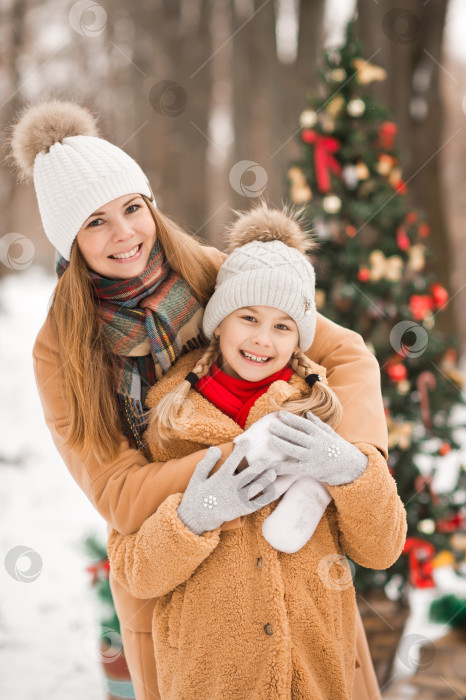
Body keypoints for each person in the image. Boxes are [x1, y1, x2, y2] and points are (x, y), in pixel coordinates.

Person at [7, 98, 390, 700]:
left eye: (133, 208)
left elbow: (346, 354)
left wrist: (341, 458)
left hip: (285, 551)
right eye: (95, 221)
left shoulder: (215, 273)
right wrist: (228, 467)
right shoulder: (60, 350)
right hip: (177, 562)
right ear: (68, 240)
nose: (125, 233)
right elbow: (118, 493)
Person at [107, 203, 407, 699]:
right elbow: (134, 572)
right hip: (209, 680)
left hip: (313, 676)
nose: (262, 340)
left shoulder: (323, 412)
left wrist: (351, 469)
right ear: (220, 323)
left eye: (283, 326)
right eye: (249, 317)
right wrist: (198, 514)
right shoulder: (166, 421)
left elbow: (381, 549)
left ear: (299, 341)